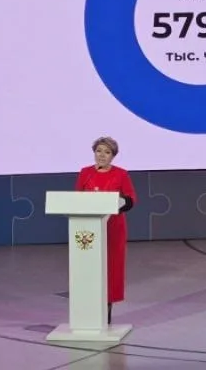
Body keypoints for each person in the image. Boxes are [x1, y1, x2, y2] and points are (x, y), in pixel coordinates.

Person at [75, 136, 136, 322]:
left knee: (111, 268)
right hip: (88, 230)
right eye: (99, 151)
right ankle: (88, 308)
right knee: (89, 268)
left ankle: (107, 309)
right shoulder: (85, 173)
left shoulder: (121, 174)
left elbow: (131, 200)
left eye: (107, 152)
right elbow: (76, 199)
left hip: (113, 229)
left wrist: (117, 202)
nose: (102, 155)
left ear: (113, 156)